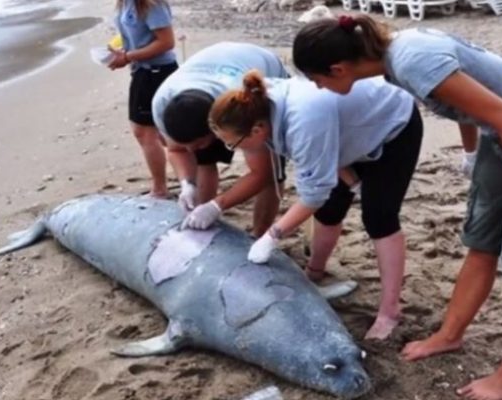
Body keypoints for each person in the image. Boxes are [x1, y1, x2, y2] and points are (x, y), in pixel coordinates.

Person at [292, 14, 502, 400]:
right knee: (481, 237)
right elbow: (468, 102)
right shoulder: (393, 61)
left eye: (316, 78)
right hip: (499, 134)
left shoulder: (411, 61)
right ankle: (449, 335)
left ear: (338, 68)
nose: (317, 87)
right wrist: (472, 153)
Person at [207, 71, 423, 340]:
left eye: (233, 144)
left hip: (391, 126)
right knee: (330, 208)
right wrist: (350, 178)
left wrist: (272, 235)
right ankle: (314, 273)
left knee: (379, 217)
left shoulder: (303, 122)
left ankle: (389, 312)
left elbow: (312, 194)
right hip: (343, 128)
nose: (233, 149)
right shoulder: (253, 105)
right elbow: (327, 152)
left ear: (257, 129)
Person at [152, 42, 291, 237]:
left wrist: (217, 206)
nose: (192, 150)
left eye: (198, 144)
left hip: (258, 68)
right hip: (207, 75)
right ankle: (199, 216)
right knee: (204, 159)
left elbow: (262, 174)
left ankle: (259, 234)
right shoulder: (162, 103)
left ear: (216, 129)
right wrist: (187, 183)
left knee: (272, 174)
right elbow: (176, 150)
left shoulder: (240, 109)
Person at [109, 0, 178, 198]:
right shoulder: (125, 3)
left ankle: (159, 188)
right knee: (161, 132)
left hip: (156, 72)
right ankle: (189, 173)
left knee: (145, 132)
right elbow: (137, 35)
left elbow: (166, 42)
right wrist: (120, 52)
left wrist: (129, 56)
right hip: (143, 70)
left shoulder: (151, 4)